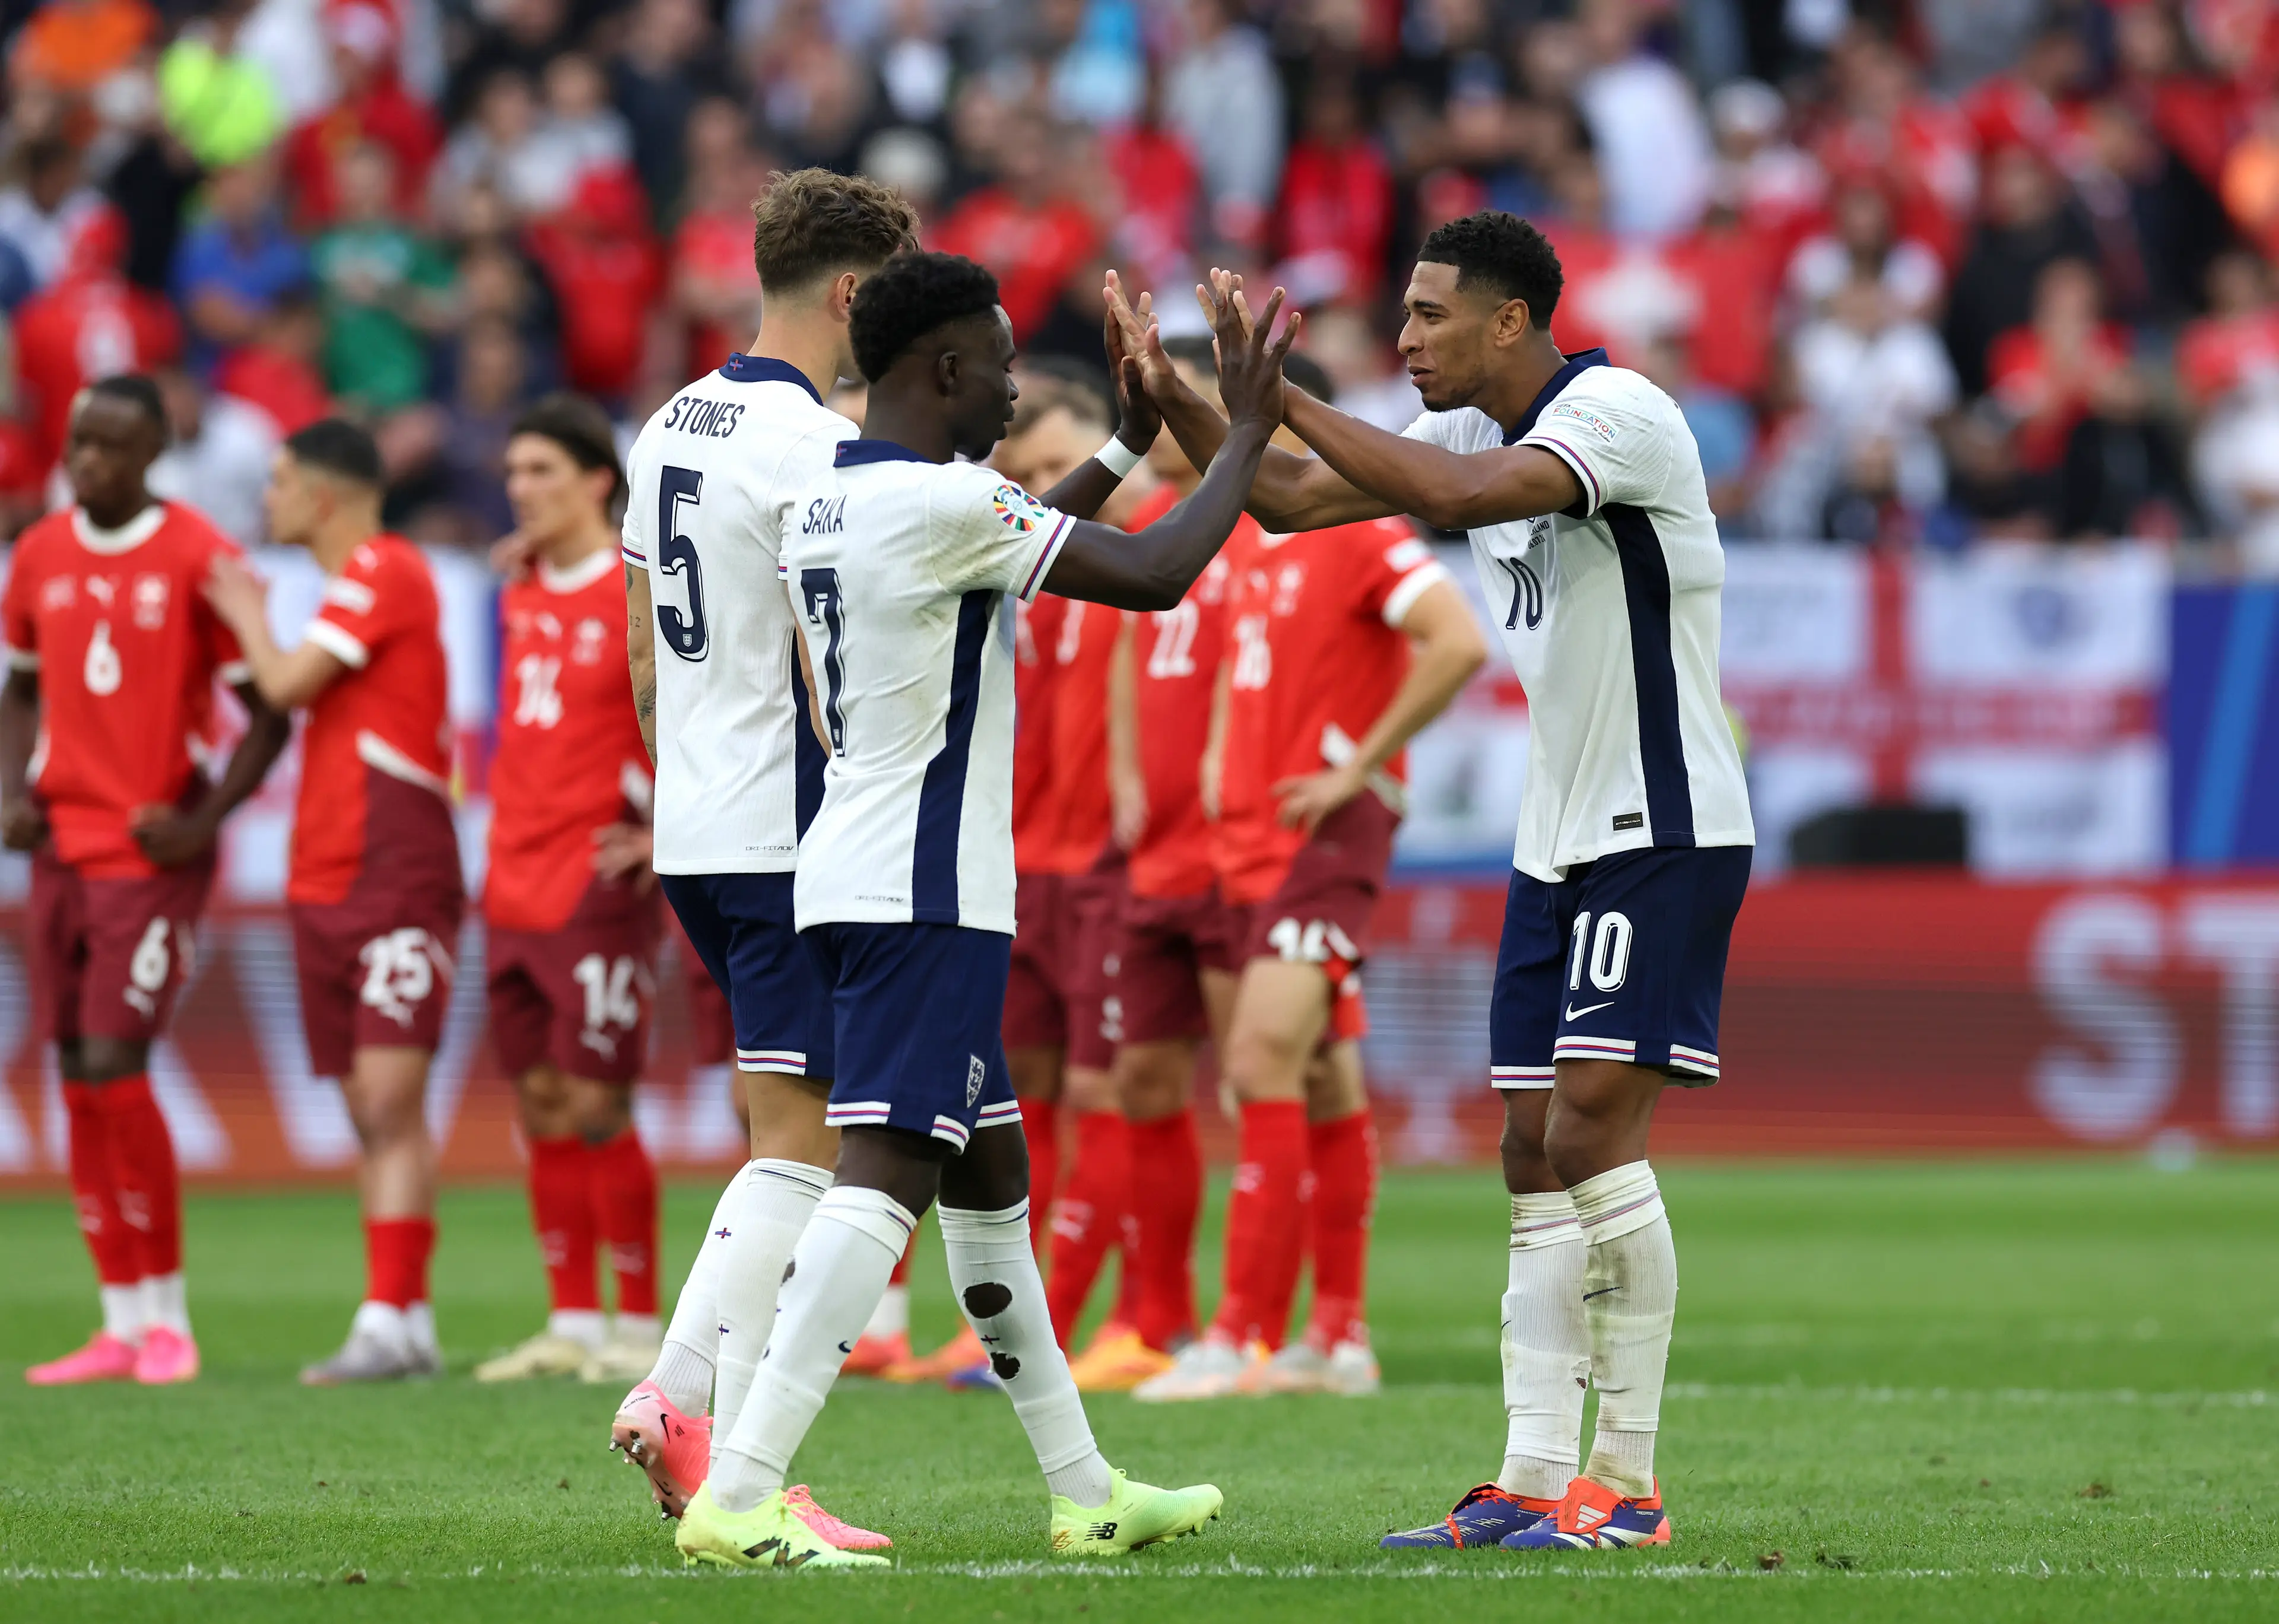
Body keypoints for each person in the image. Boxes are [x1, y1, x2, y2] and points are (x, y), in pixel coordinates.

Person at [1112, 209, 1754, 1551]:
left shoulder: (1618, 413)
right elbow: (1284, 503)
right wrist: (1173, 391)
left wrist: (1269, 391)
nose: (1404, 339)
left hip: (1664, 819)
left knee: (1587, 1131)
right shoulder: (1467, 432)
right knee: (1529, 1149)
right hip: (1555, 835)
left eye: (1428, 316)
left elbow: (1459, 504)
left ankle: (1626, 1485)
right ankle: (1527, 1478)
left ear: (1511, 321)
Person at [672, 249, 1290, 1568]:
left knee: (992, 1186)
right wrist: (1242, 434)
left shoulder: (841, 494)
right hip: (924, 887)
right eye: (1002, 363)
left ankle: (1085, 1490)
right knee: (885, 1176)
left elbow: (1014, 542)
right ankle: (743, 1484)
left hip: (853, 868)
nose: (1016, 387)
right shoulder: (944, 504)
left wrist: (1128, 439)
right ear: (943, 369)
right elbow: (1156, 572)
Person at [609, 168, 916, 1549]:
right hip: (793, 828)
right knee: (808, 1151)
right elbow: (822, 653)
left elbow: (633, 635)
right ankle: (701, 1423)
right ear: (850, 293)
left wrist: (682, 783)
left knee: (776, 1130)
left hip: (697, 818)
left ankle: (715, 1435)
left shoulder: (671, 422)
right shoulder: (811, 444)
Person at [1131, 353, 1485, 1403]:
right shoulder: (1243, 538)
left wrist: (1362, 764)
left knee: (1259, 1060)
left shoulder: (1363, 530)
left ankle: (1236, 1336)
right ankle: (1337, 1339)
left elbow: (1456, 642)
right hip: (1248, 841)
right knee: (1321, 1081)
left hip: (1324, 841)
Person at [4, 376, 291, 1387]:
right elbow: (21, 687)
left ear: (152, 455)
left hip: (147, 853)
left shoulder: (199, 556)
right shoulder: (37, 551)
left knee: (116, 1062)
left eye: (111, 448)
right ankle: (118, 1322)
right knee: (78, 1073)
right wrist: (14, 789)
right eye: (80, 442)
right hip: (63, 850)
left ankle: (168, 1316)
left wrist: (202, 820)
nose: (88, 462)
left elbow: (269, 710)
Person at [204, 418, 466, 1385]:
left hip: (395, 870)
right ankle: (408, 1319)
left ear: (321, 494)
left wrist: (239, 607)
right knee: (367, 1107)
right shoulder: (353, 588)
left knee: (391, 1100)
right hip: (327, 873)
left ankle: (389, 1318)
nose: (266, 498)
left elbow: (279, 683)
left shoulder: (386, 569)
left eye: (276, 482)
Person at [472, 395, 665, 1387]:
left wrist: (660, 827)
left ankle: (638, 1324)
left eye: (543, 471)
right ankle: (573, 1322)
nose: (522, 490)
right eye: (514, 473)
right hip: (510, 875)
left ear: (598, 481)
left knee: (598, 1099)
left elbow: (685, 711)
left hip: (595, 880)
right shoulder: (513, 591)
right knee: (541, 1101)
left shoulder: (632, 593)